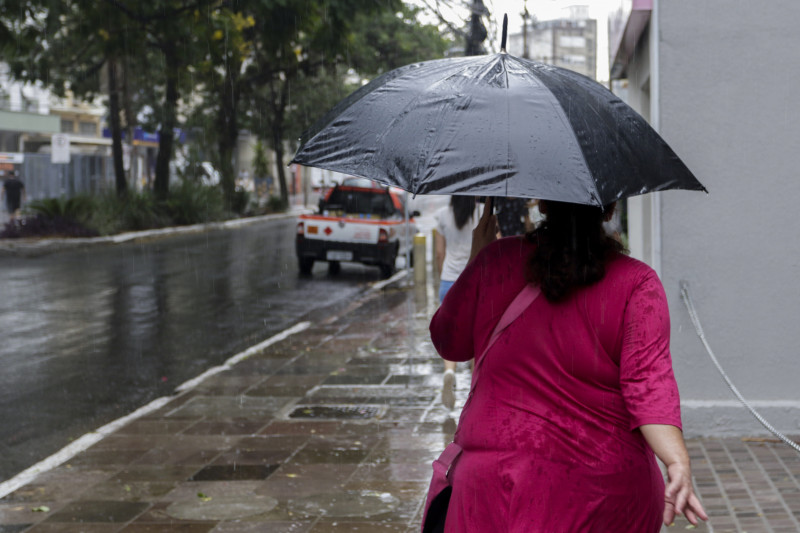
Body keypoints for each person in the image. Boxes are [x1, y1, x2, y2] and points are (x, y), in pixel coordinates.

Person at [429, 198, 707, 532]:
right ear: (609, 209)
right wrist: (677, 461)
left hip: (494, 488)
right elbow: (647, 385)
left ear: (542, 205)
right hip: (603, 494)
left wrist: (478, 257)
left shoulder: (496, 260)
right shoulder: (637, 283)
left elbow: (449, 341)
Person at [434, 196, 481, 409]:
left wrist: (443, 274)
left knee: (451, 334)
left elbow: (439, 254)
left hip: (448, 281)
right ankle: (474, 388)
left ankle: (449, 372)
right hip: (473, 281)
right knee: (476, 335)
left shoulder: (442, 215)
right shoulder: (482, 214)